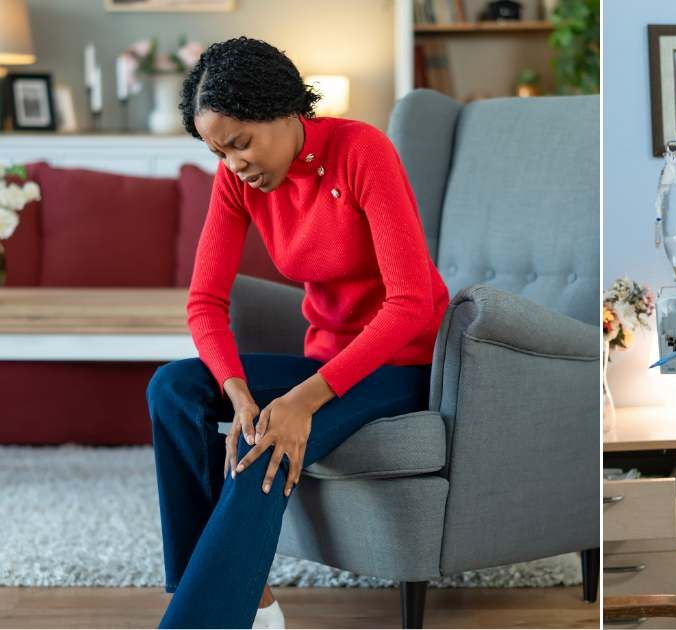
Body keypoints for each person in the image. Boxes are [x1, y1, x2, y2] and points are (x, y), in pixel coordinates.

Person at [145, 36, 449, 628]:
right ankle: (236, 600)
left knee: (266, 445)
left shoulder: (363, 150)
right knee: (173, 388)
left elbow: (412, 303)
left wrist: (299, 402)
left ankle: (199, 619)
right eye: (219, 151)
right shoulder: (237, 182)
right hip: (324, 360)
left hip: (401, 363)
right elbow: (205, 302)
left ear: (285, 110)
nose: (234, 163)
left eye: (242, 143)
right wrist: (240, 393)